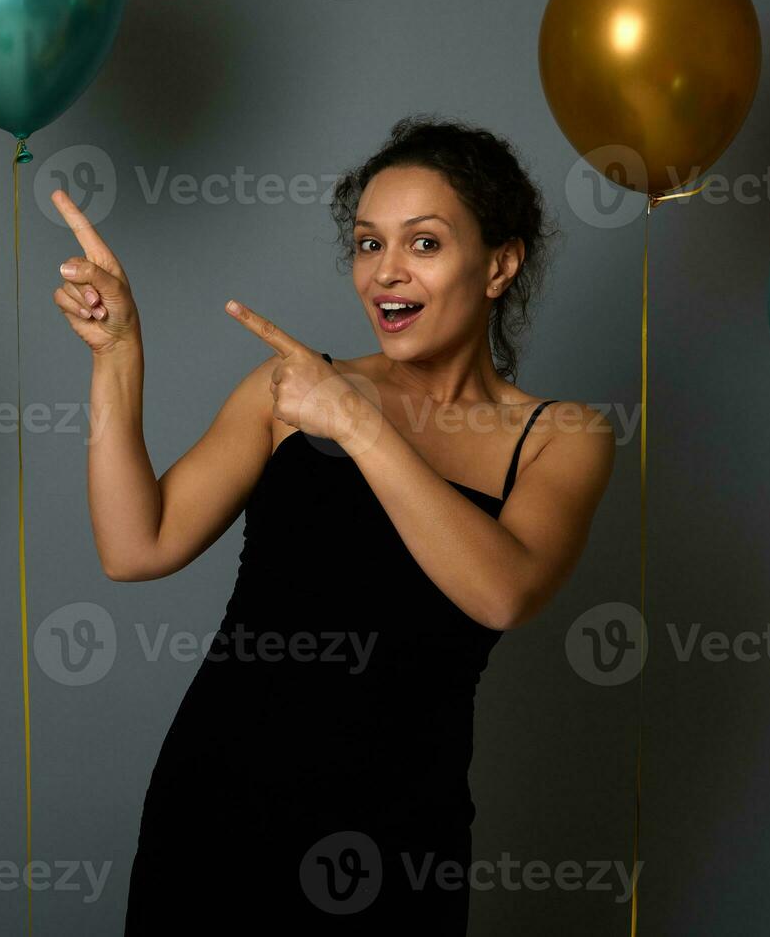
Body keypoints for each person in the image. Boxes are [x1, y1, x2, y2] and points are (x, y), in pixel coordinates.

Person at [49, 116, 615, 933]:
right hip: (217, 812)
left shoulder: (563, 437)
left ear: (499, 264)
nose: (386, 273)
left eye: (424, 244)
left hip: (394, 843)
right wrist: (117, 354)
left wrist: (357, 426)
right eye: (366, 243)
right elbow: (136, 546)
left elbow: (502, 592)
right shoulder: (290, 391)